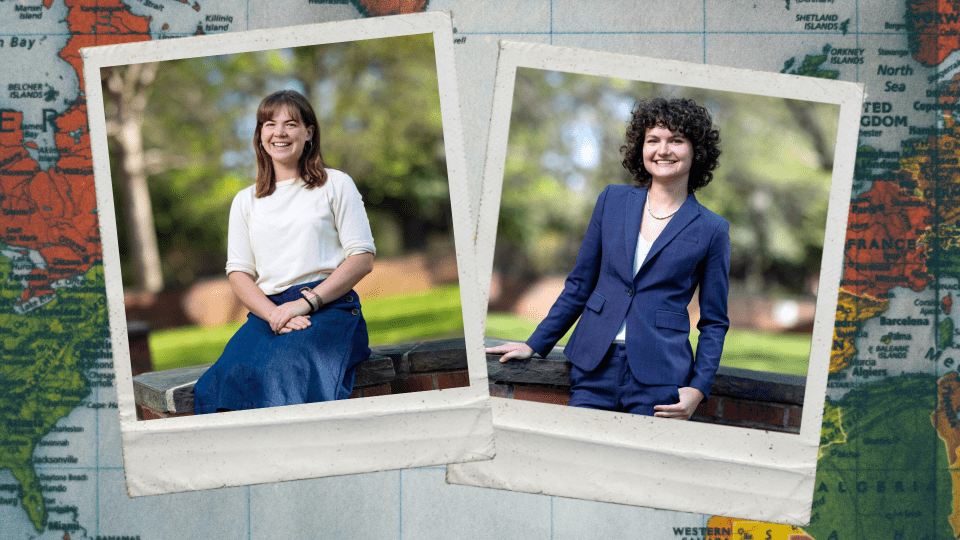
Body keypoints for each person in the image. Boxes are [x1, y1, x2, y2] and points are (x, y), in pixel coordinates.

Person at [486, 97, 730, 420]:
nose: (663, 150)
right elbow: (579, 284)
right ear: (640, 148)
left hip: (660, 377)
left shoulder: (713, 229)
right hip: (593, 364)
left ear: (696, 150)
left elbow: (714, 321)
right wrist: (534, 344)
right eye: (653, 140)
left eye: (676, 140)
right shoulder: (612, 201)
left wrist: (698, 388)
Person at [193, 90, 376, 414]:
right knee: (221, 381)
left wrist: (304, 304)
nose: (279, 132)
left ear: (309, 133)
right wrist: (274, 313)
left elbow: (361, 258)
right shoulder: (245, 201)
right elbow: (238, 273)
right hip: (268, 313)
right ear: (259, 134)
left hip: (327, 308)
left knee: (281, 372)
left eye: (290, 123)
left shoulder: (336, 184)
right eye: (268, 123)